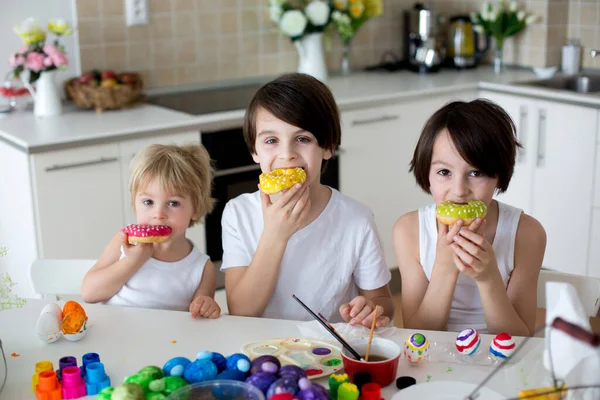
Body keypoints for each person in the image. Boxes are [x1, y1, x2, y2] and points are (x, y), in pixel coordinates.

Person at [221, 73, 394, 326]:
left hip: (330, 353)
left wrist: (372, 310)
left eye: (302, 139)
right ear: (254, 151)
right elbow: (241, 311)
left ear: (328, 147)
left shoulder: (356, 219)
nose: (287, 154)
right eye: (271, 140)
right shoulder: (238, 214)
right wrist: (276, 235)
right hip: (262, 352)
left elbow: (383, 301)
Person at [393, 99, 546, 336]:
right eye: (444, 172)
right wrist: (444, 267)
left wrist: (488, 277)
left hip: (500, 362)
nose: (459, 190)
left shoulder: (527, 234)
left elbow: (519, 341)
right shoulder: (409, 230)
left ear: (499, 176)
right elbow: (417, 335)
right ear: (427, 174)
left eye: (476, 172)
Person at [81, 143, 221, 318]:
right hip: (115, 336)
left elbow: (199, 319)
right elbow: (89, 293)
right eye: (148, 202)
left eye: (173, 203)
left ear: (196, 209)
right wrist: (132, 262)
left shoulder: (201, 269)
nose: (159, 214)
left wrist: (206, 306)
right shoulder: (123, 242)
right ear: (134, 204)